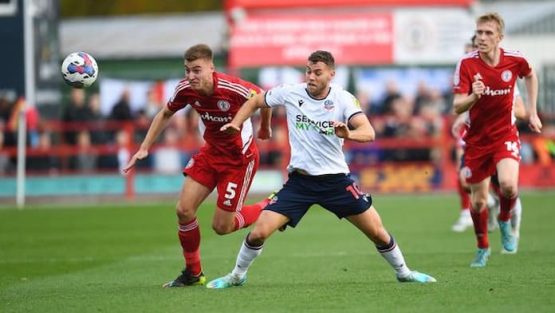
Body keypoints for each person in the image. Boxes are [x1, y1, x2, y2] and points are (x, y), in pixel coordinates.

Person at [206, 50, 436, 289]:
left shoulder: (343, 99)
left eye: (317, 72)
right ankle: (236, 275)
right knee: (259, 232)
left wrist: (349, 134)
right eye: (308, 71)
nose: (311, 77)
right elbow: (256, 100)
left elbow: (368, 133)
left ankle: (404, 272)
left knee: (377, 231)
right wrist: (237, 123)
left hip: (336, 181)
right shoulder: (291, 92)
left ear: (331, 75)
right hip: (300, 183)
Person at [122, 44, 273, 287]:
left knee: (222, 227)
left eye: (196, 70)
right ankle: (193, 273)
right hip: (210, 154)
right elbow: (165, 113)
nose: (191, 76)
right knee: (183, 209)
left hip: (238, 161)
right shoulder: (185, 89)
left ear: (211, 68)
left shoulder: (231, 87)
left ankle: (269, 205)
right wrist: (144, 147)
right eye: (187, 70)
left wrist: (265, 127)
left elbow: (264, 99)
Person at [452, 13, 542, 267]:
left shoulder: (514, 60)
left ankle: (504, 220)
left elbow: (531, 75)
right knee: (479, 200)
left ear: (499, 37)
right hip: (477, 140)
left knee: (509, 185)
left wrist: (533, 111)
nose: (482, 37)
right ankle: (482, 246)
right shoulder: (466, 64)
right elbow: (458, 106)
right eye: (479, 32)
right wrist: (473, 97)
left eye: (488, 33)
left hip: (505, 134)